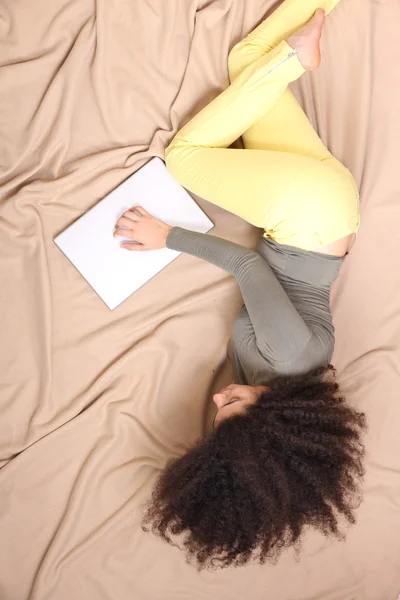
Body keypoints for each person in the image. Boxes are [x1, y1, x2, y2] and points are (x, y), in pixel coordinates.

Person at [115, 0, 365, 569]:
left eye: (217, 410)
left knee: (249, 59)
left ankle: (304, 41)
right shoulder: (288, 356)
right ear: (273, 425)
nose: (218, 396)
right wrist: (165, 236)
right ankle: (296, 58)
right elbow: (249, 269)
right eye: (231, 407)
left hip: (321, 209)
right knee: (184, 160)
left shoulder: (270, 382)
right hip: (307, 213)